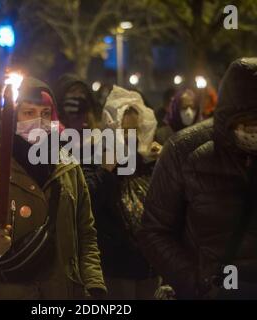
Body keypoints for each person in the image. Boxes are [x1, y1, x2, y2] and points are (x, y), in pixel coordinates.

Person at [139, 57, 257, 299]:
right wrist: (197, 283)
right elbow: (154, 231)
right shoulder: (185, 150)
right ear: (231, 113)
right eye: (251, 121)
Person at [0, 76, 106, 300]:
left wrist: (94, 285)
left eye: (45, 113)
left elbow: (86, 233)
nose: (38, 120)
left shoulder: (68, 168)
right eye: (29, 113)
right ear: (12, 117)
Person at [83, 85, 161, 299]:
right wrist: (107, 170)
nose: (130, 138)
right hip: (114, 267)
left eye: (135, 131)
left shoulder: (147, 159)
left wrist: (164, 164)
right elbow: (86, 202)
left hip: (148, 266)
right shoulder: (93, 153)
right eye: (124, 131)